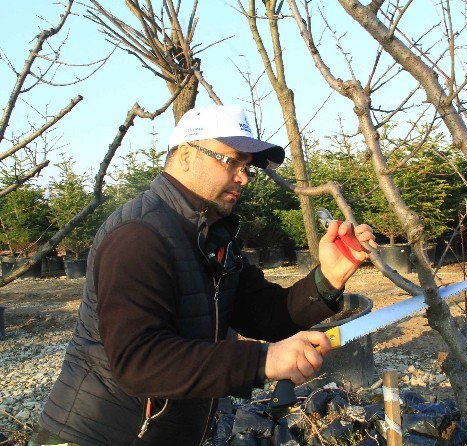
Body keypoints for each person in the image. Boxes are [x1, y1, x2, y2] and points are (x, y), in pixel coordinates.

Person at [31, 105, 377, 446]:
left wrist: (328, 278)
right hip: (101, 434)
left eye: (246, 167)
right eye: (230, 161)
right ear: (185, 155)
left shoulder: (211, 234)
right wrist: (262, 359)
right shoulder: (138, 234)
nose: (242, 177)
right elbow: (138, 362)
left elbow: (267, 316)